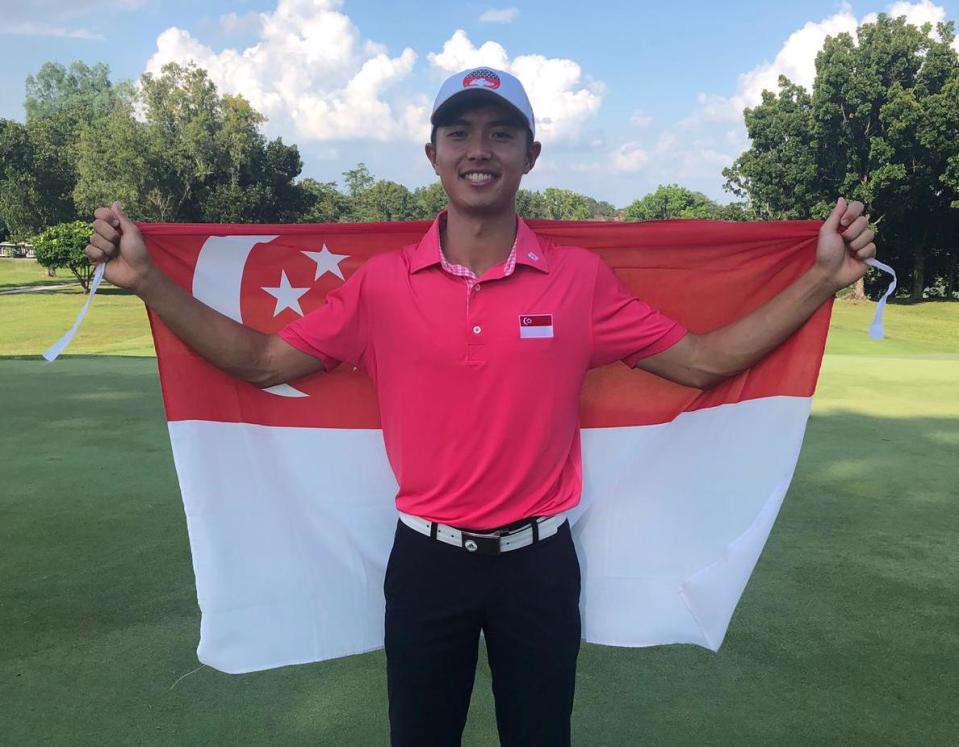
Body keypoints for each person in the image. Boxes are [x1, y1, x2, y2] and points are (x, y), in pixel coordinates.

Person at [86, 67, 876, 747]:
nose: (478, 149)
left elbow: (701, 362)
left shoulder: (578, 281)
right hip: (426, 562)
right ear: (432, 153)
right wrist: (150, 282)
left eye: (501, 134)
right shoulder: (381, 285)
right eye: (458, 131)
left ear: (529, 155)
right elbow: (261, 361)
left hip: (538, 564)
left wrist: (819, 279)